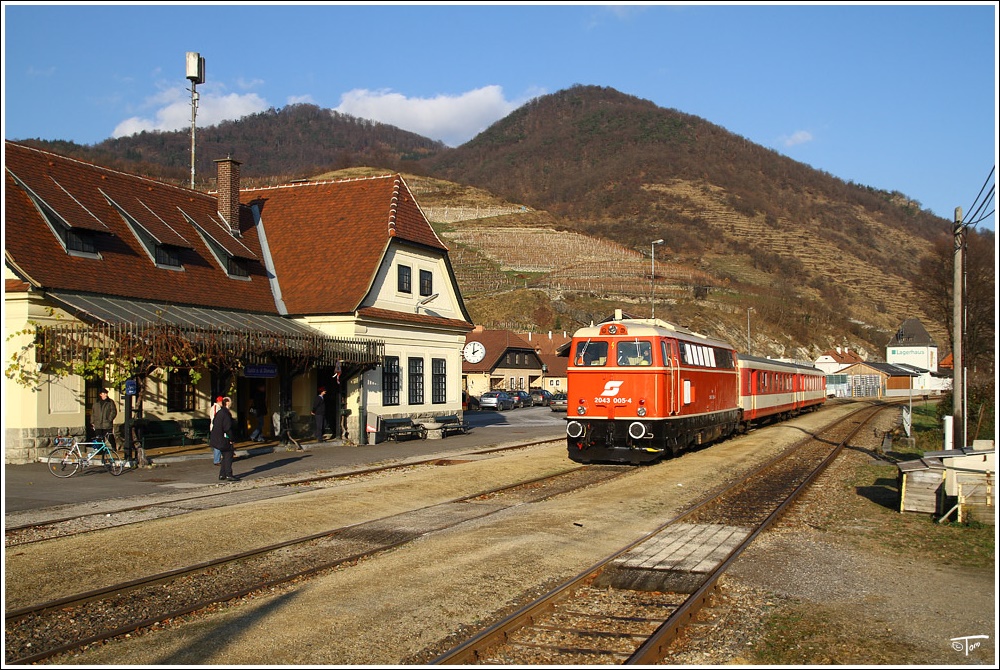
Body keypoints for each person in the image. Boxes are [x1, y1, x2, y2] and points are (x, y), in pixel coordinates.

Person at [212, 397, 239, 481]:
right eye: (230, 402)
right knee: (228, 455)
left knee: (225, 455)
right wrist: (231, 438)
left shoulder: (220, 412)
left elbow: (214, 422)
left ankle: (222, 474)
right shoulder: (225, 413)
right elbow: (227, 428)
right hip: (223, 438)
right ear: (227, 403)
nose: (231, 403)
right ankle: (228, 474)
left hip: (217, 437)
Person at [209, 396, 224, 465]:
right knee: (218, 444)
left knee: (219, 443)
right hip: (216, 428)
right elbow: (215, 418)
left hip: (216, 428)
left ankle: (218, 458)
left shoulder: (216, 407)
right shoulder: (216, 408)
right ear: (220, 402)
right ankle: (217, 460)